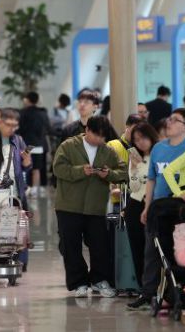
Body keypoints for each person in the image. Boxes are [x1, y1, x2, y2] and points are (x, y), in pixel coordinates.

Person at [131, 108, 185, 308]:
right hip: (158, 208)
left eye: (175, 120)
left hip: (182, 211)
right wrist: (147, 207)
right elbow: (151, 180)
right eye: (169, 119)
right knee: (152, 252)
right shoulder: (158, 148)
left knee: (181, 252)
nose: (168, 123)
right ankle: (148, 293)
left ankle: (180, 293)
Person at [53, 116, 127, 298]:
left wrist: (108, 174)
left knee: (99, 245)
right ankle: (79, 282)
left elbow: (123, 172)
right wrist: (79, 171)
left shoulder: (108, 151)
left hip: (96, 206)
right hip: (68, 205)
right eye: (96, 135)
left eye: (103, 136)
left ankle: (99, 280)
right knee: (71, 246)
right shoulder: (69, 146)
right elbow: (58, 168)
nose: (99, 139)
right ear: (87, 130)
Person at [123, 122, 159, 309]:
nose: (141, 142)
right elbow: (134, 186)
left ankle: (157, 290)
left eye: (143, 138)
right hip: (135, 205)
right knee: (137, 250)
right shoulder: (135, 157)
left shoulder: (159, 154)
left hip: (153, 204)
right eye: (136, 140)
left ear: (151, 136)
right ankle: (143, 291)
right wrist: (135, 168)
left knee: (153, 250)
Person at [18, 91, 52, 197]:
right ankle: (35, 190)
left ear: (27, 100)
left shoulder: (23, 113)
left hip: (27, 145)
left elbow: (20, 129)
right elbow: (48, 128)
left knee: (25, 165)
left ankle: (25, 187)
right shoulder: (42, 113)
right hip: (38, 145)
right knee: (36, 168)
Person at [0, 109, 33, 208]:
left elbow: (27, 167)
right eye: (9, 125)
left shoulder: (18, 140)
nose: (12, 129)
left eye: (15, 126)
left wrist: (26, 160)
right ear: (0, 122)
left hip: (15, 190)